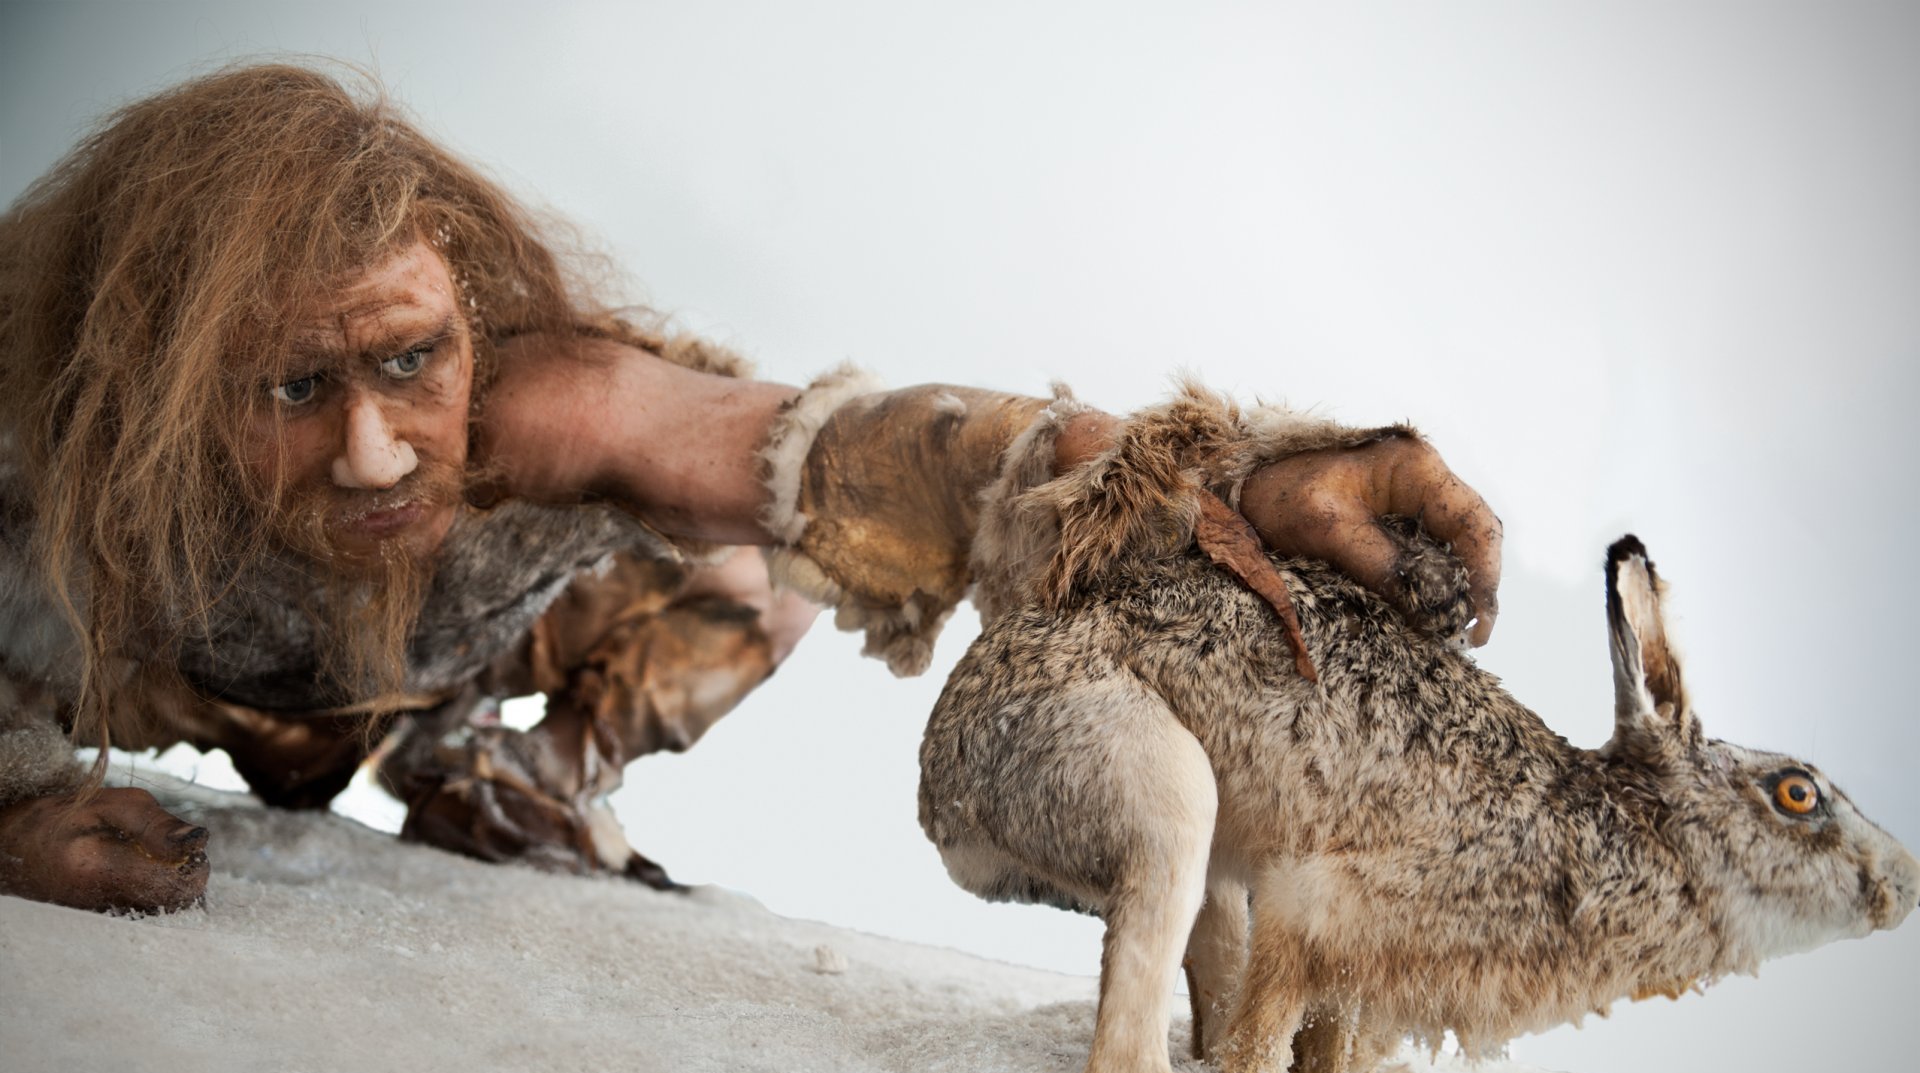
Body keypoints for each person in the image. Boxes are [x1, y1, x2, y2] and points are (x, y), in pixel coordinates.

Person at [0, 64, 1502, 911]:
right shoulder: (66, 478)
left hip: (438, 662)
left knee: (780, 561)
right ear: (161, 386)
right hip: (159, 684)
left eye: (408, 361)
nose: (377, 451)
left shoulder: (546, 404)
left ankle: (523, 770)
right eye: (291, 388)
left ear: (463, 313)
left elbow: (872, 451)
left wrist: (1239, 473)